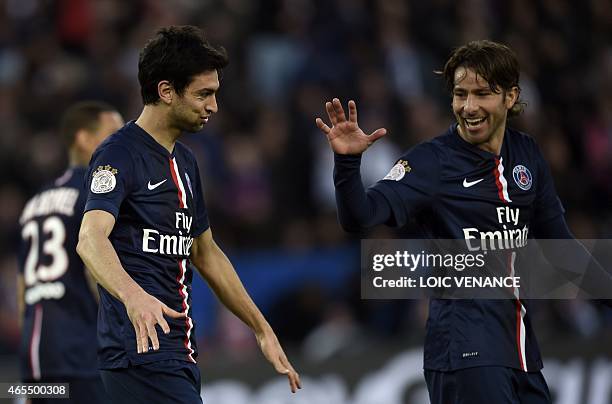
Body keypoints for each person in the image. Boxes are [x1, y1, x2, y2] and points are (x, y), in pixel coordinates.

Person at [316, 40, 588, 403]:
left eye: (482, 94)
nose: (469, 107)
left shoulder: (527, 155)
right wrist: (348, 165)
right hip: (465, 353)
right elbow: (360, 217)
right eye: (461, 94)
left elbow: (563, 250)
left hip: (522, 355)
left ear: (510, 96)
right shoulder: (433, 162)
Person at [76, 25, 300, 403]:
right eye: (203, 94)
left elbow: (205, 254)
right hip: (139, 353)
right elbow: (89, 238)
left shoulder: (186, 161)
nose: (213, 106)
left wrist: (262, 329)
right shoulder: (118, 154)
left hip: (179, 353)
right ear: (166, 91)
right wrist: (134, 296)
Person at [17, 101, 124, 403]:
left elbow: (22, 287)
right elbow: (96, 270)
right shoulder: (96, 193)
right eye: (113, 133)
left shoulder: (35, 202)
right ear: (85, 139)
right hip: (82, 352)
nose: (121, 142)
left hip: (35, 356)